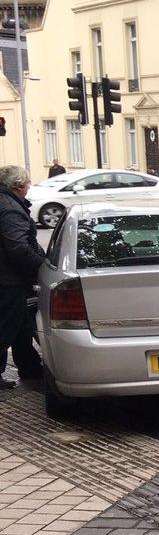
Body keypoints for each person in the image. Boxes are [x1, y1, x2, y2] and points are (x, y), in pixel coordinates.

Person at [0, 166, 45, 388]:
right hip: (9, 281)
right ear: (19, 186)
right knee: (7, 326)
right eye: (28, 183)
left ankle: (29, 367)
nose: (29, 187)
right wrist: (42, 266)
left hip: (9, 278)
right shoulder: (10, 209)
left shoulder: (6, 203)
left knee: (20, 325)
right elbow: (18, 247)